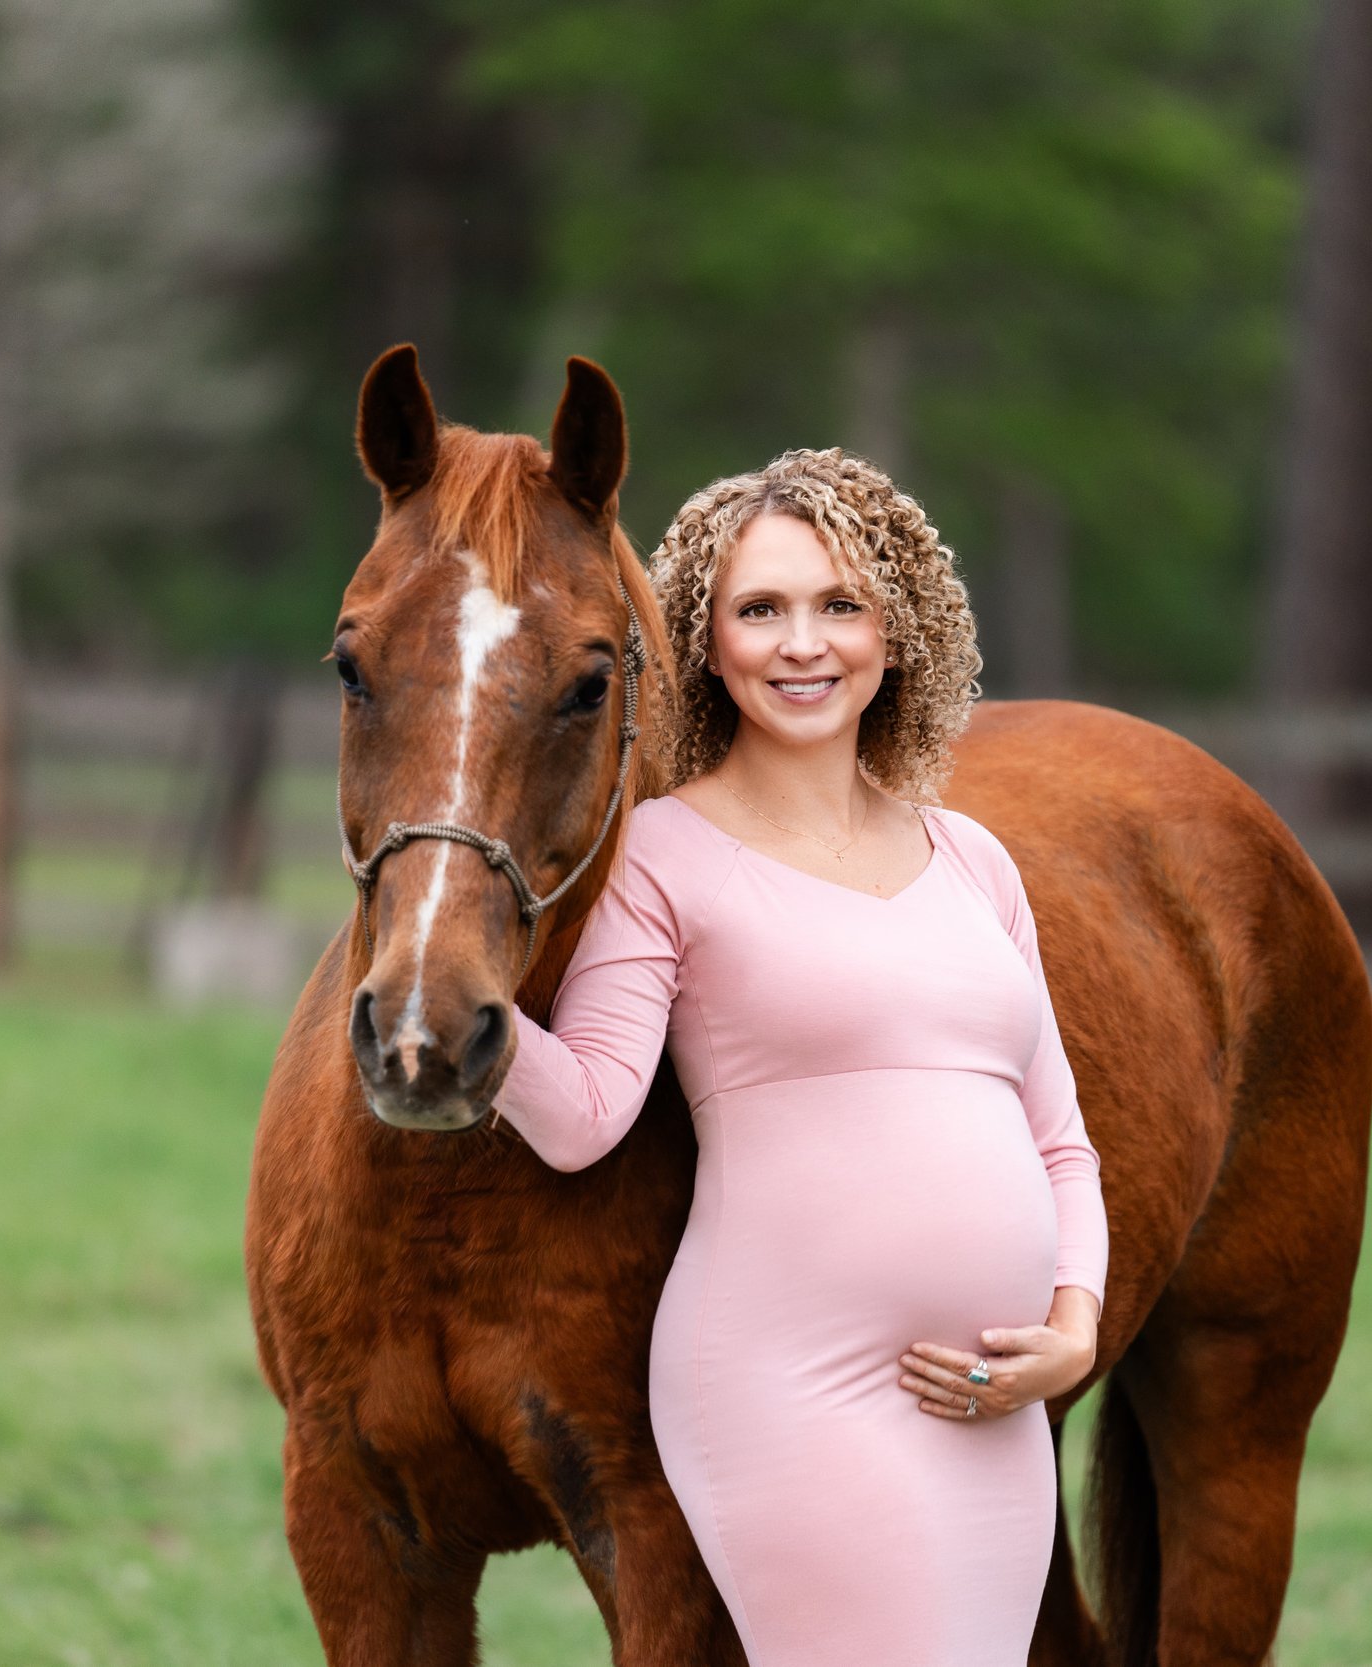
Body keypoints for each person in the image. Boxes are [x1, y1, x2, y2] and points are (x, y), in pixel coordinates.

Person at [491, 447, 1107, 1665]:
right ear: (706, 644)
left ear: (897, 629)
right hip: (792, 1389)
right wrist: (467, 1013)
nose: (802, 642)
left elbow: (1059, 1137)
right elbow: (587, 1112)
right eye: (759, 610)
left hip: (994, 1411)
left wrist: (1075, 1328)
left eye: (839, 604)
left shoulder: (975, 858)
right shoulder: (664, 851)